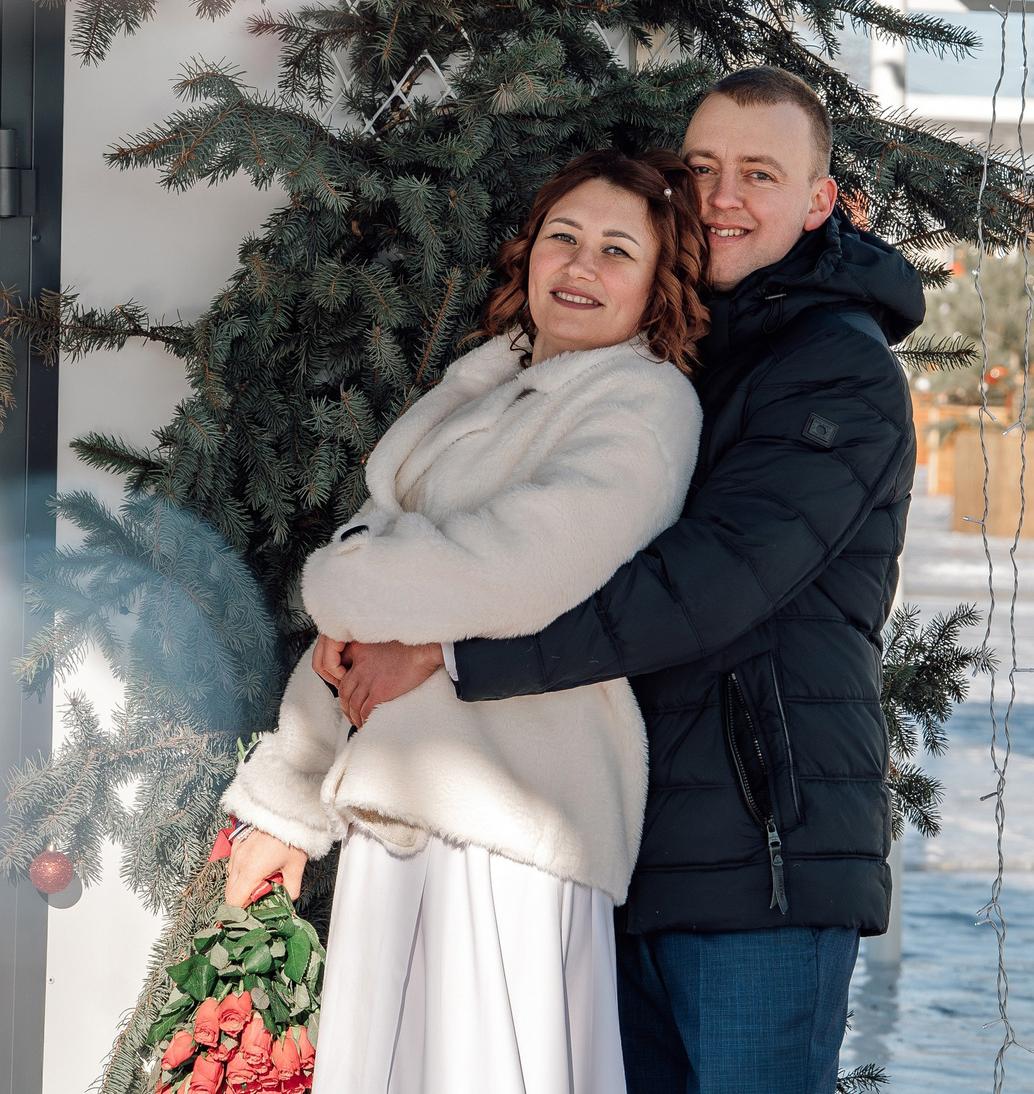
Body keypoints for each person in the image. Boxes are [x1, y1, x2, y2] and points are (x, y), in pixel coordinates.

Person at [334, 67, 921, 1094]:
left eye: (759, 174)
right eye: (701, 169)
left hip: (757, 856)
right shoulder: (667, 348)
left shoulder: (837, 369)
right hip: (625, 846)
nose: (723, 198)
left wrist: (455, 655)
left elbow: (710, 584)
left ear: (818, 200)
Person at [217, 147, 714, 1094]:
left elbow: (523, 564)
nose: (580, 265)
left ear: (656, 288)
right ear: (528, 254)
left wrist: (355, 580)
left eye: (617, 251)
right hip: (401, 811)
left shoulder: (644, 403)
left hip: (512, 817)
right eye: (563, 237)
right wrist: (288, 804)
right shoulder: (481, 389)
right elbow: (357, 647)